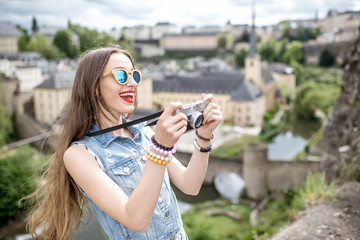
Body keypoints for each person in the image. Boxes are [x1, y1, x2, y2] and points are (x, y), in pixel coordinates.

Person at [26, 45, 223, 240]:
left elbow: (190, 186)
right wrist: (160, 147)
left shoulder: (145, 133)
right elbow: (136, 220)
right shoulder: (79, 154)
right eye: (121, 75)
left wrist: (203, 137)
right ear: (94, 86)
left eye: (134, 75)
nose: (132, 83)